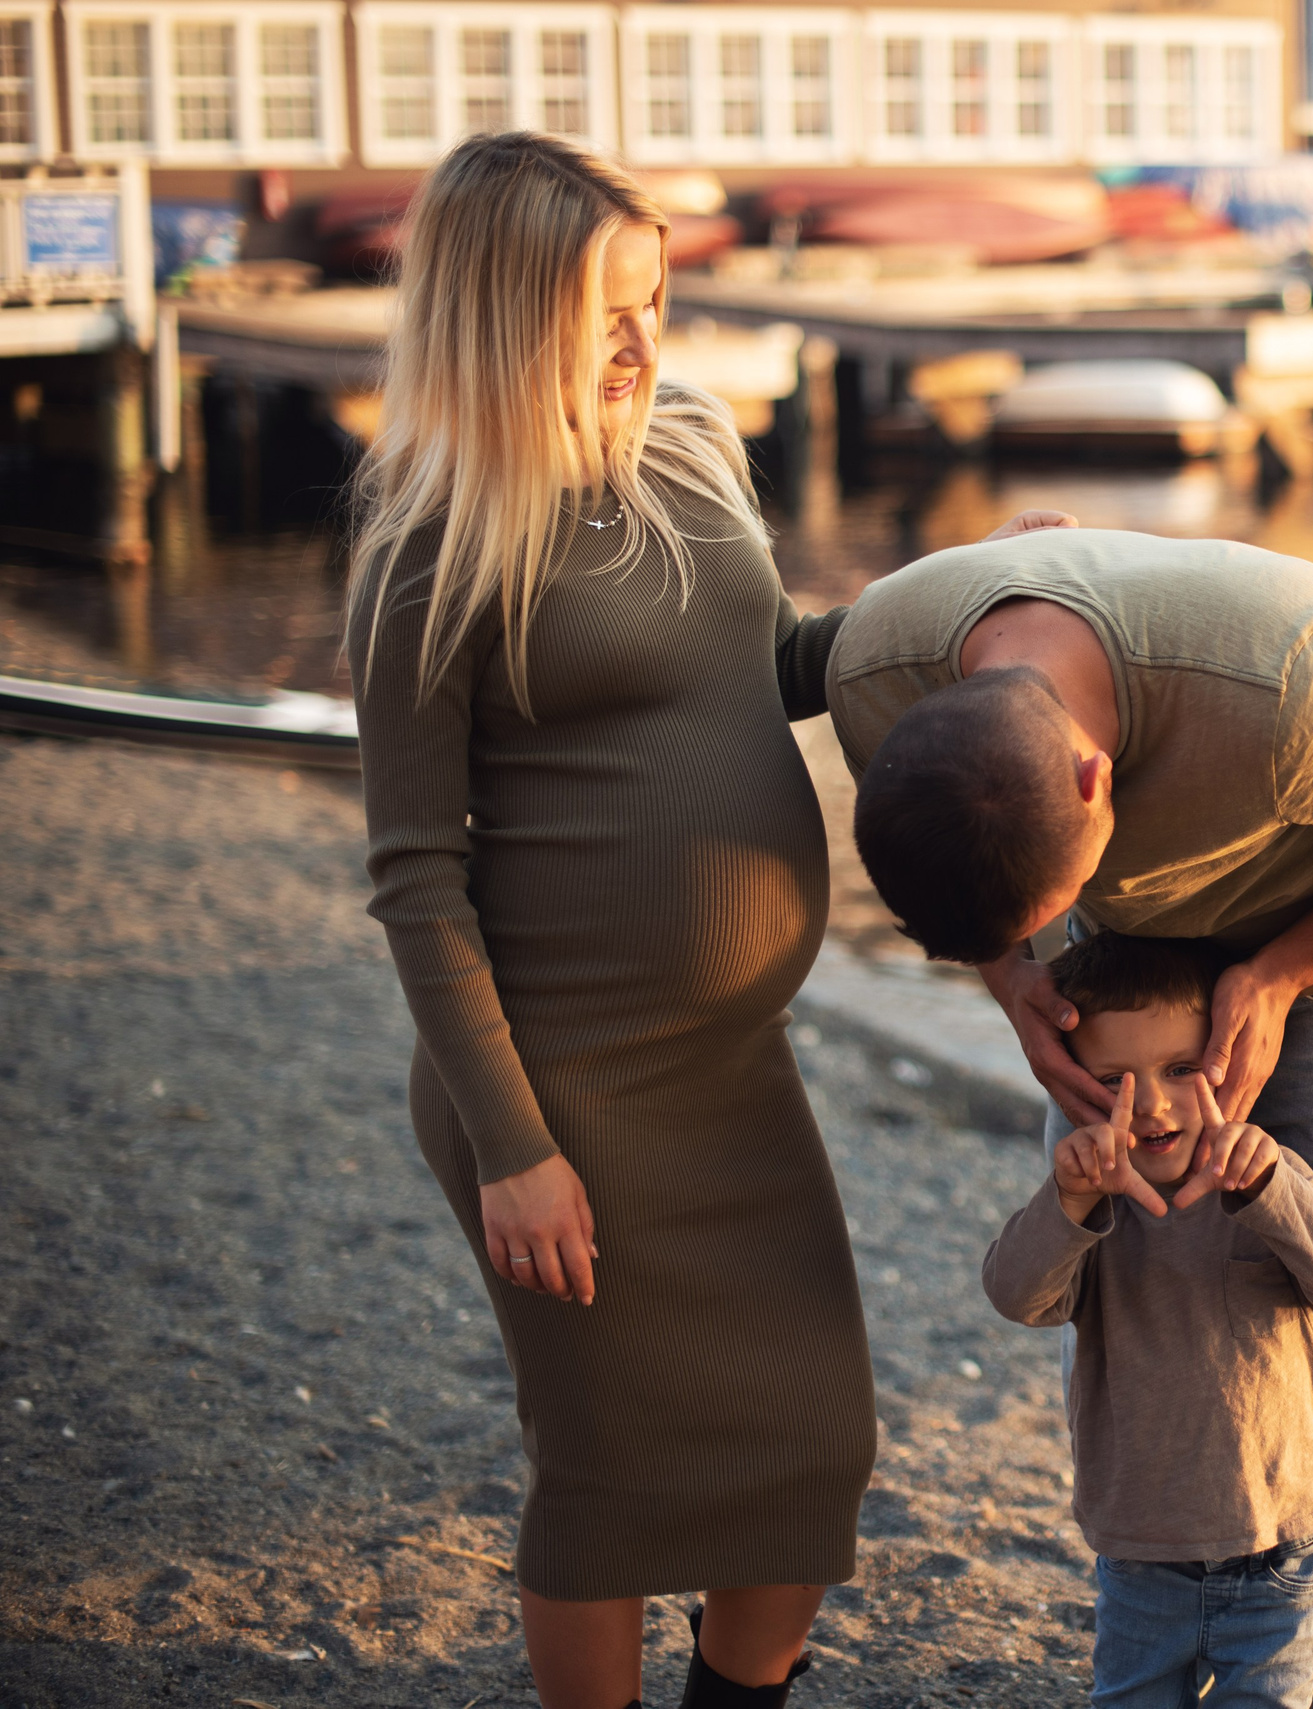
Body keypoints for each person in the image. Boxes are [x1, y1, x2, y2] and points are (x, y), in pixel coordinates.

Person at [827, 525, 1313, 1706]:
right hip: (1125, 978)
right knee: (1136, 1315)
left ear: (1094, 778)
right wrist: (1020, 975)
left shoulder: (1294, 693)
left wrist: (1282, 971)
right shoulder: (875, 675)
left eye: (1047, 905)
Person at [345, 132, 876, 1709]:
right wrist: (515, 1147)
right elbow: (414, 879)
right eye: (603, 312)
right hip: (565, 1084)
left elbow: (770, 661)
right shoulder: (428, 553)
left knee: (813, 1439)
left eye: (656, 301)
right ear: (502, 320)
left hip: (732, 1075)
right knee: (614, 1473)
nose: (646, 344)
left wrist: (960, 604)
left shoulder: (694, 459)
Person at [981, 933, 1313, 1709]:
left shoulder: (1269, 1173)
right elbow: (1016, 1294)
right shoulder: (1093, 1209)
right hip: (1142, 1557)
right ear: (1074, 1087)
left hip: (1283, 1550)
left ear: (1222, 1064)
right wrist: (1066, 1201)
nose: (1155, 1104)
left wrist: (1270, 1185)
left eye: (1178, 1069)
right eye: (1114, 1080)